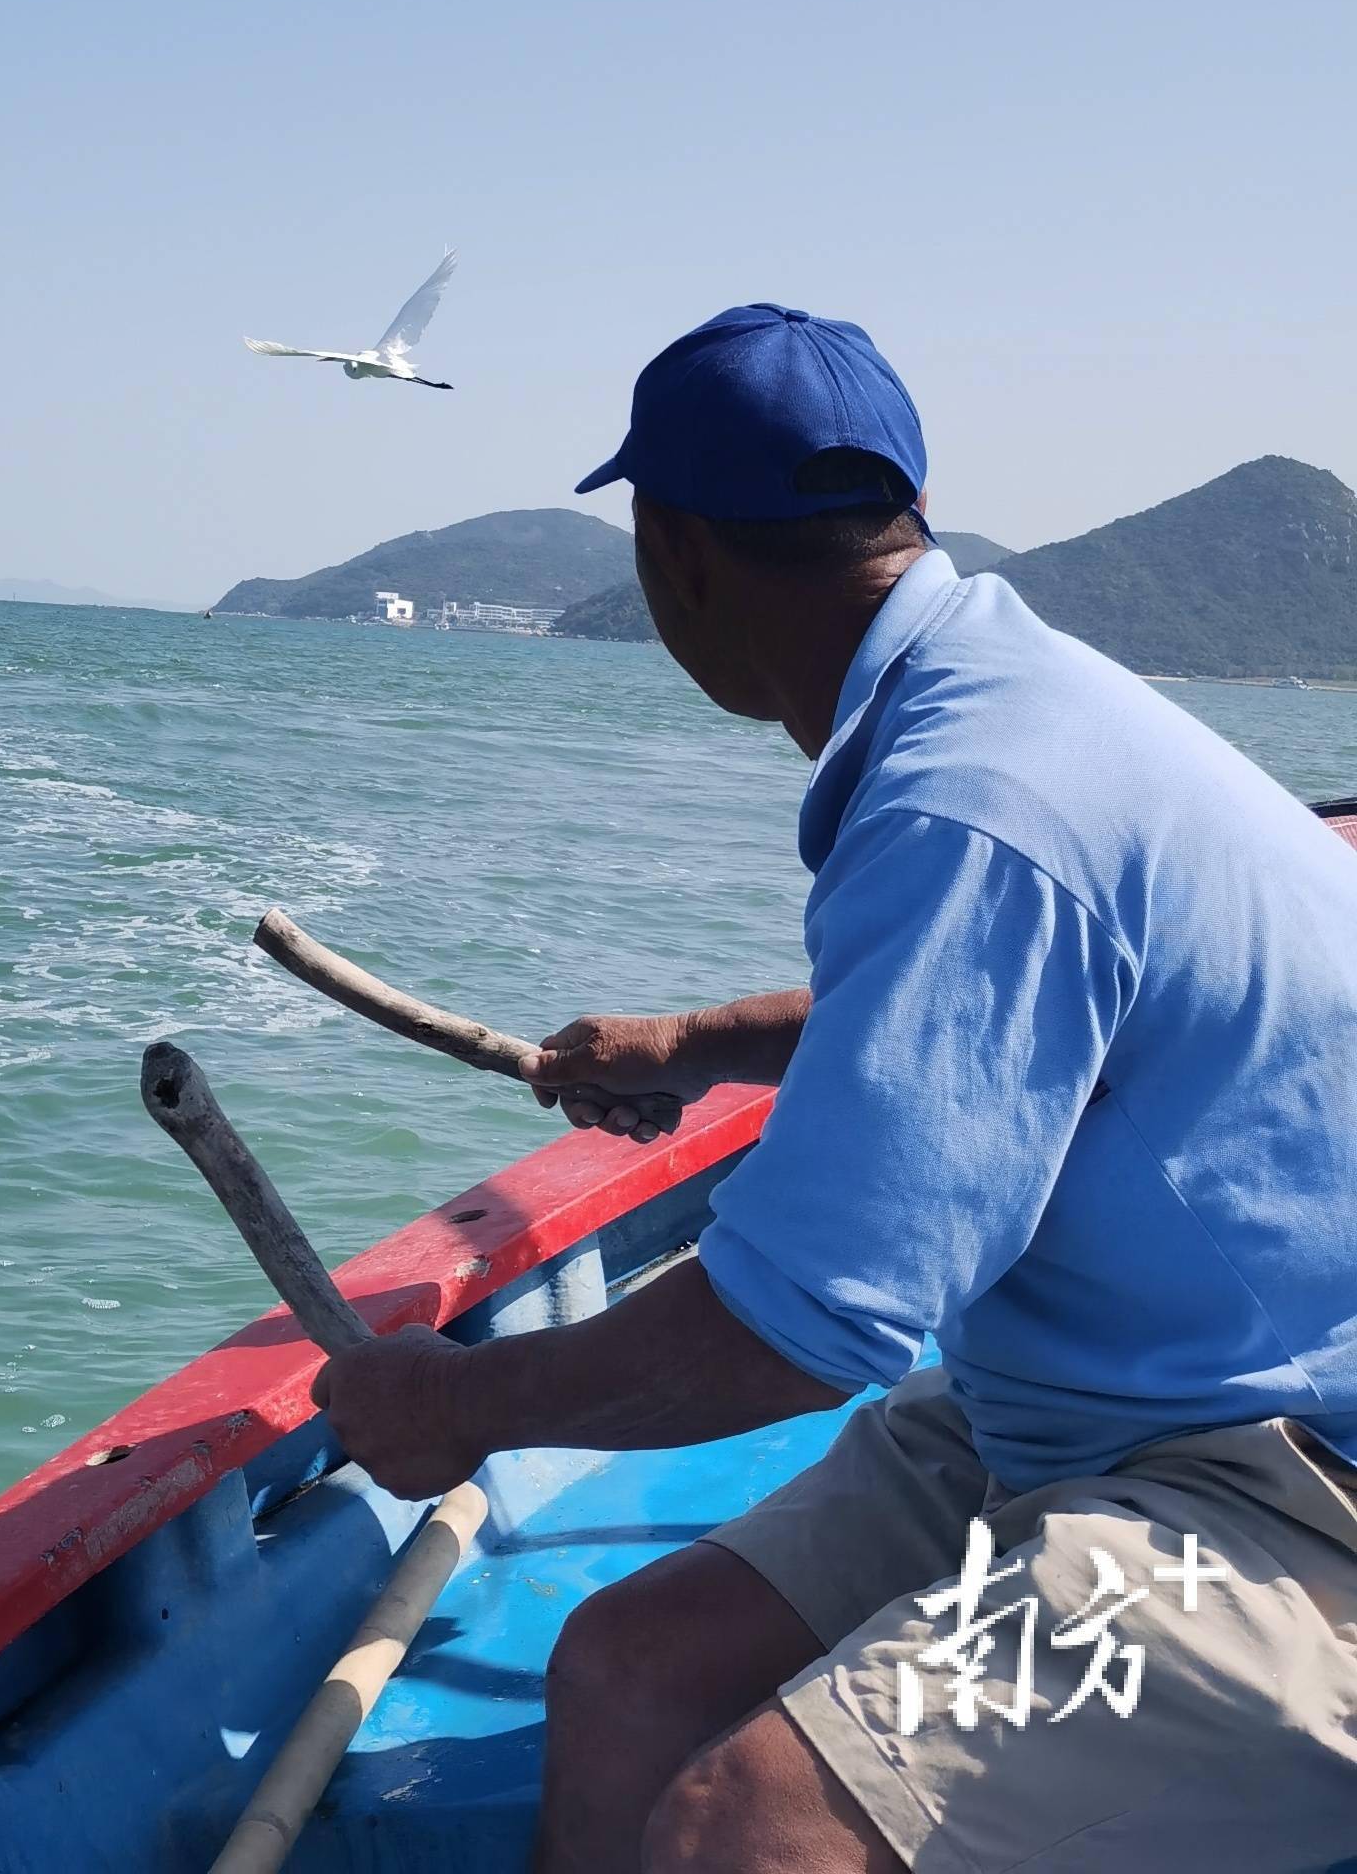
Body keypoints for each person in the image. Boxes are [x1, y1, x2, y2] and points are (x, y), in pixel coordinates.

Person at [311, 303, 1357, 1874]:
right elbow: (983, 1012)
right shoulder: (1009, 707)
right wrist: (699, 1044)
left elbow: (797, 1329)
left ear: (674, 556)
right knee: (624, 1675)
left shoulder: (979, 797)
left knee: (748, 1830)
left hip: (1287, 1493)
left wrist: (459, 1406)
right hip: (1086, 1413)